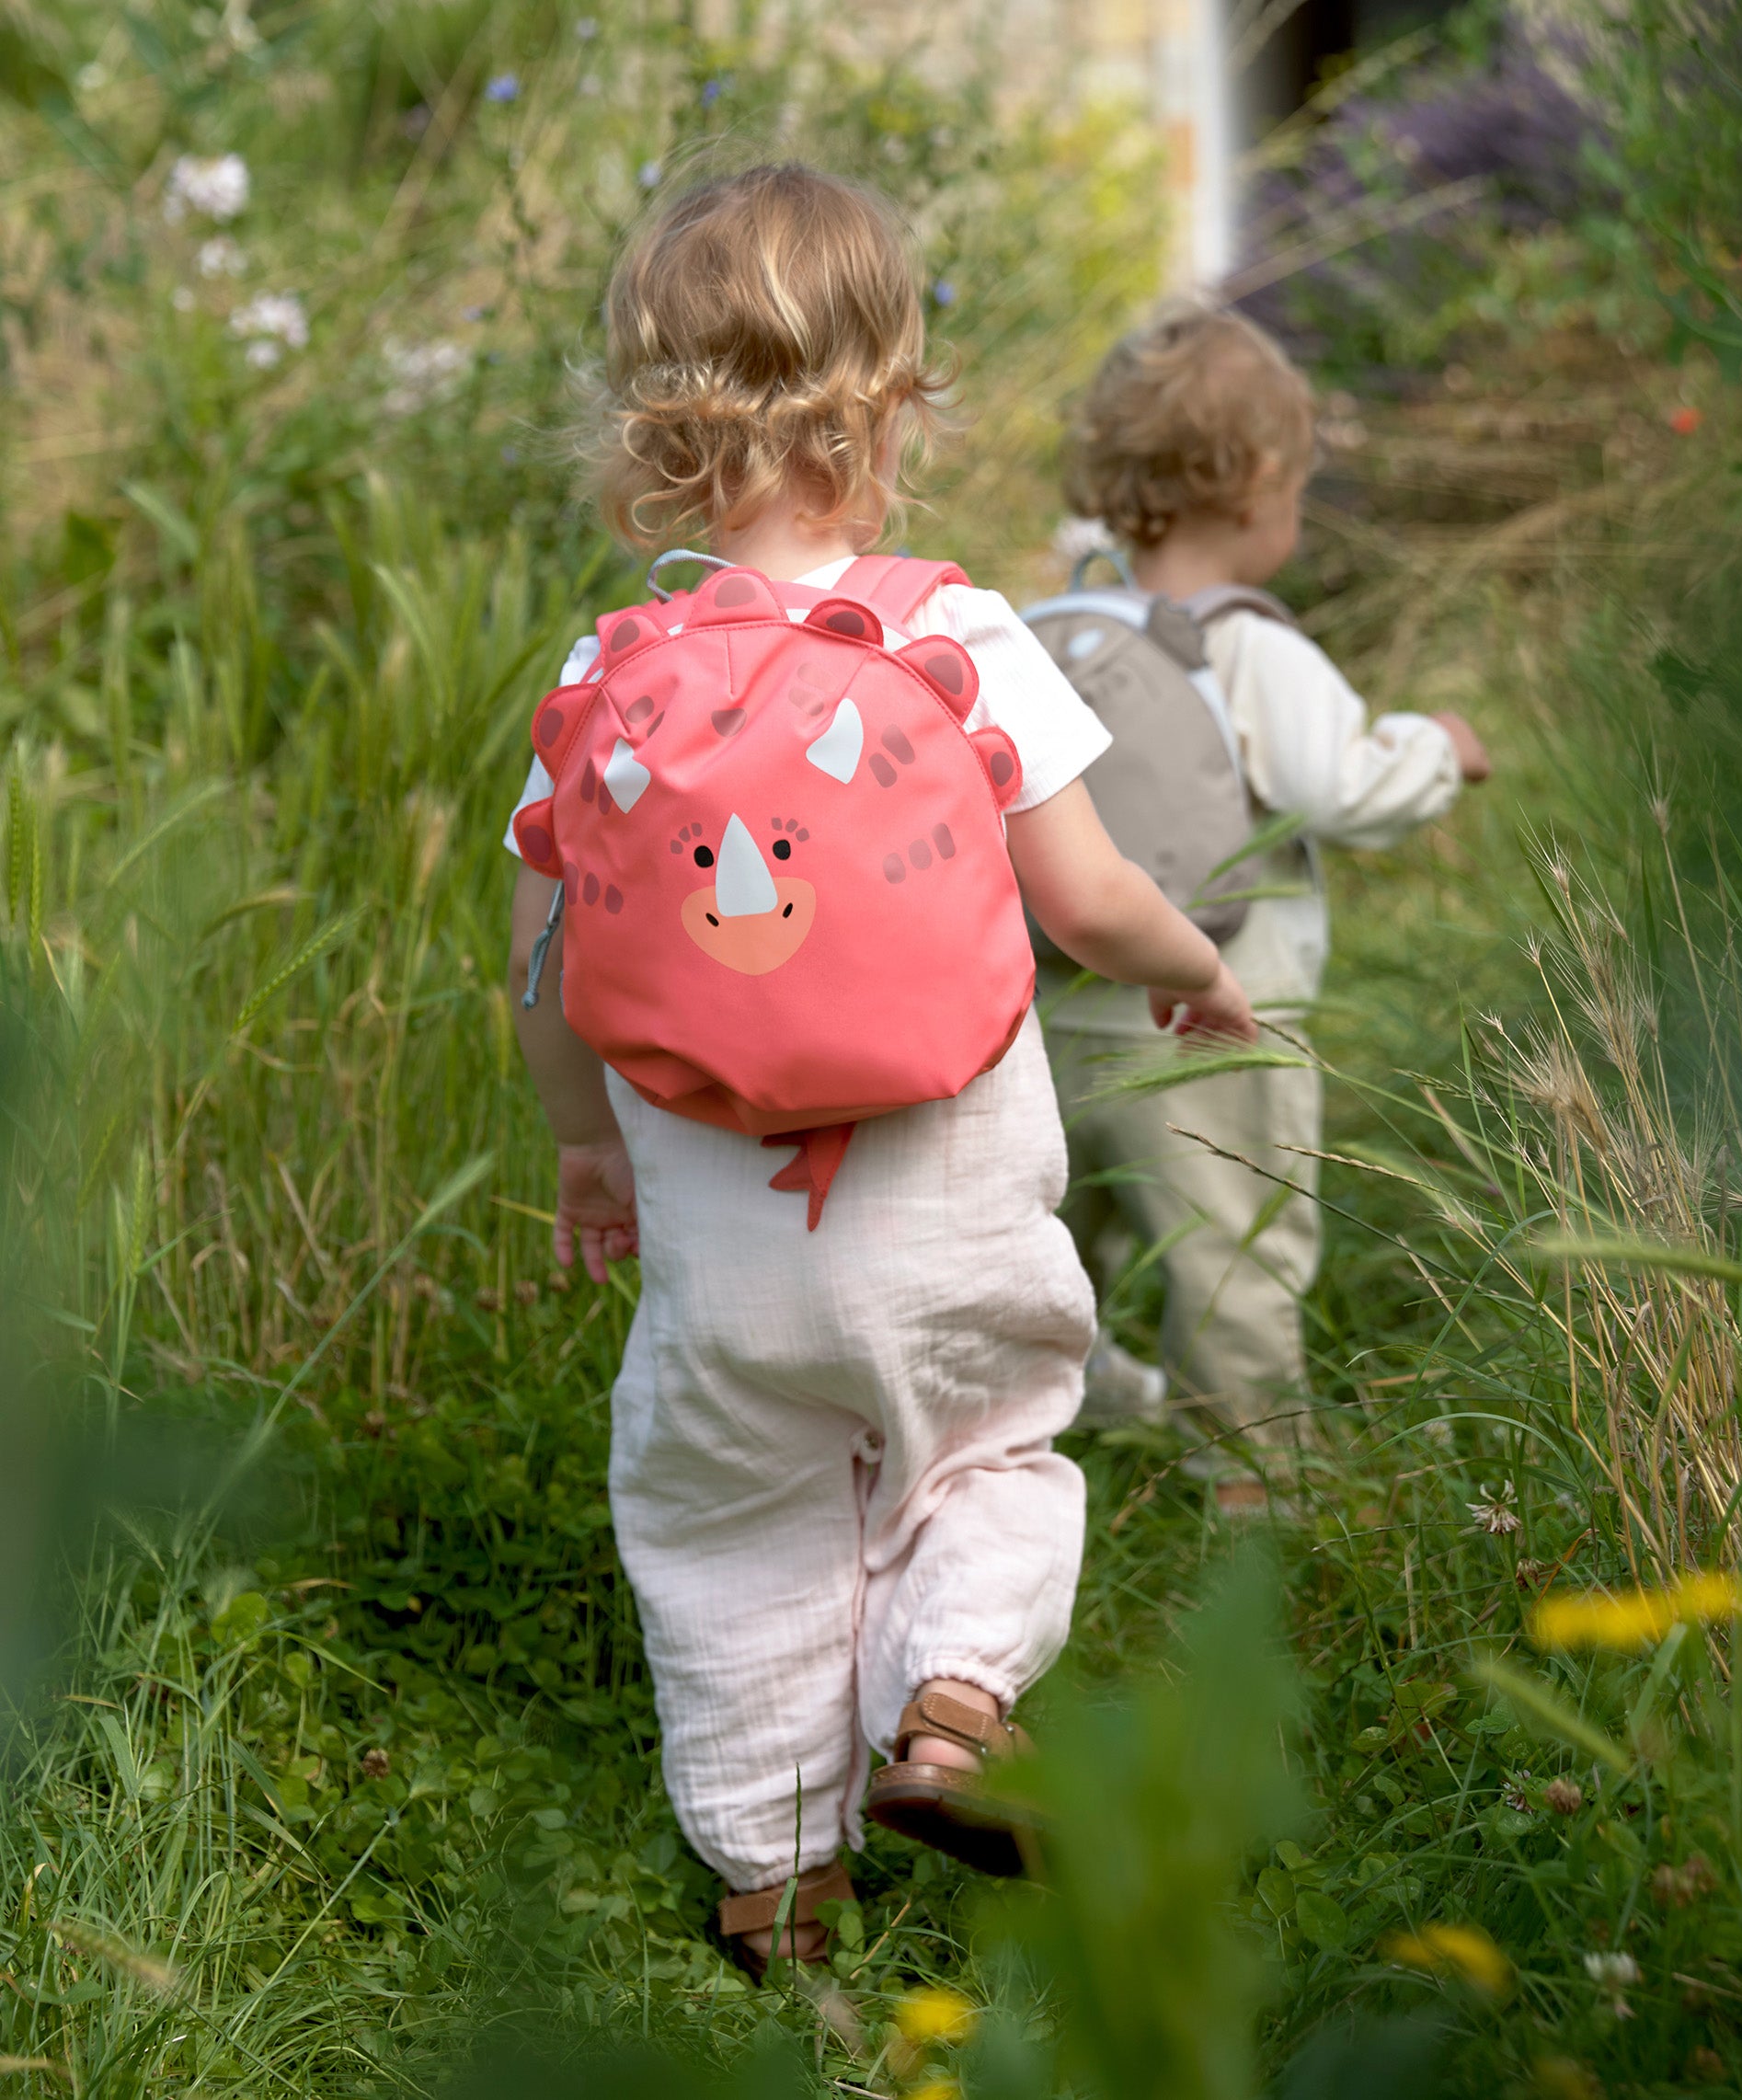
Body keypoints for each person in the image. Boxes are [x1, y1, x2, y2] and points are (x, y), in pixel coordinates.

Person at [504, 167, 1255, 1969]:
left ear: (653, 425)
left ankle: (774, 1877)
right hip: (952, 1228)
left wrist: (585, 1156)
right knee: (990, 1456)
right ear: (897, 399)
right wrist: (1194, 964)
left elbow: (544, 971)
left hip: (723, 1261)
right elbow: (1084, 894)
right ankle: (951, 1708)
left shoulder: (608, 676)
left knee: (727, 1517)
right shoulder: (953, 636)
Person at [1044, 304, 1491, 1460]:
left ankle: (1048, 1410)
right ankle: (1250, 1471)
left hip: (1055, 1012)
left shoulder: (1062, 633)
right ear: (1254, 485)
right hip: (1214, 1017)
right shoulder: (1253, 648)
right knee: (1228, 1246)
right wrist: (1437, 746)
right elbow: (1339, 787)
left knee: (1039, 1245)